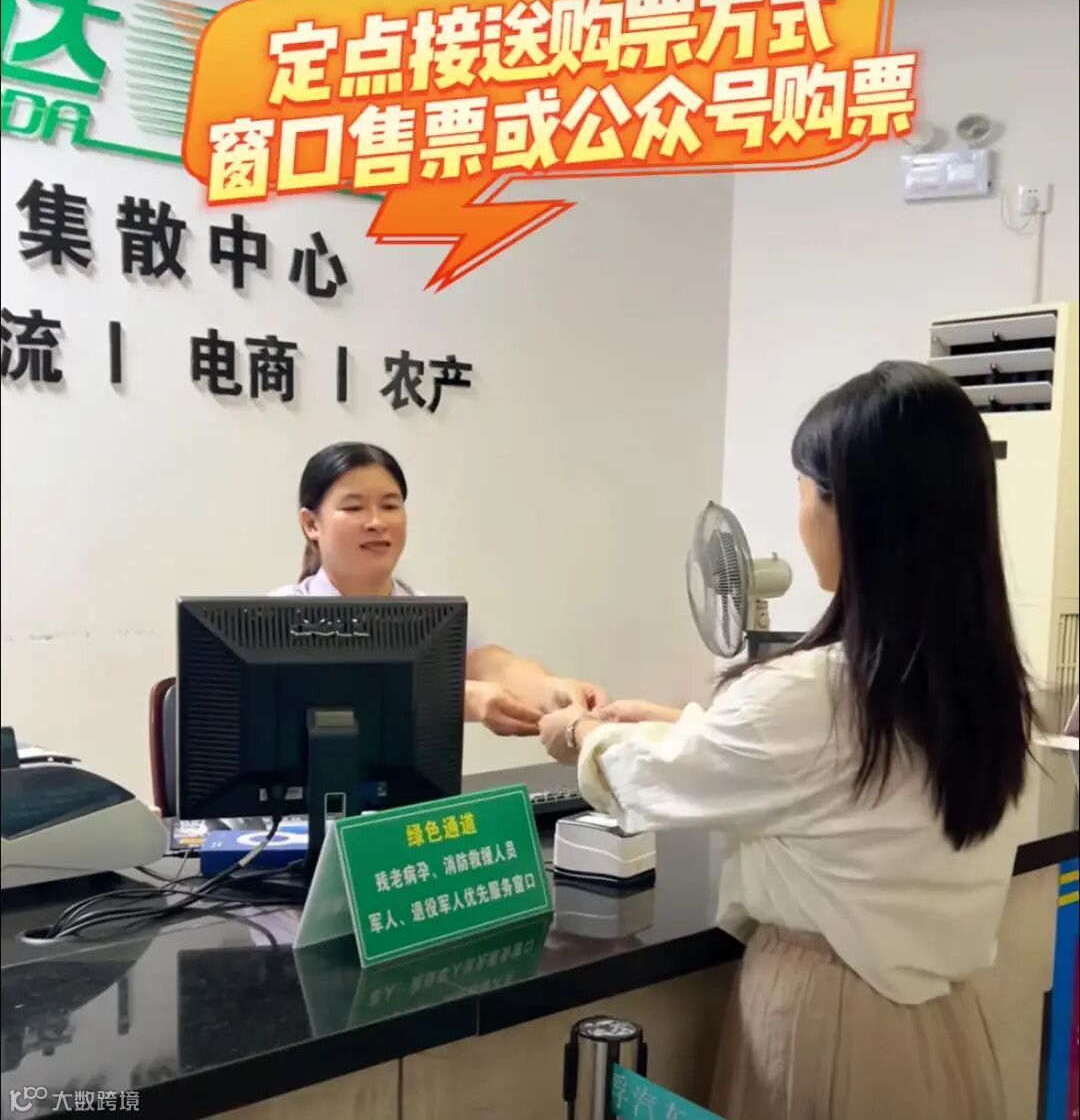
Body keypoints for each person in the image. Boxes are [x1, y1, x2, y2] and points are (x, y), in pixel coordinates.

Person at [539, 362, 1032, 1120]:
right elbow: (825, 777)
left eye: (804, 491)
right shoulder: (980, 684)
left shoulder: (811, 693)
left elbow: (665, 780)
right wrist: (682, 723)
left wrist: (579, 733)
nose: (800, 515)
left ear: (850, 510)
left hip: (829, 1022)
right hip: (943, 1030)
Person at [272, 441, 608, 735]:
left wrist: (553, 690)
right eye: (354, 507)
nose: (377, 522)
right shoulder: (278, 615)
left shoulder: (433, 616)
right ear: (311, 524)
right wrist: (459, 697)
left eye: (390, 506)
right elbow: (328, 694)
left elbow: (494, 666)